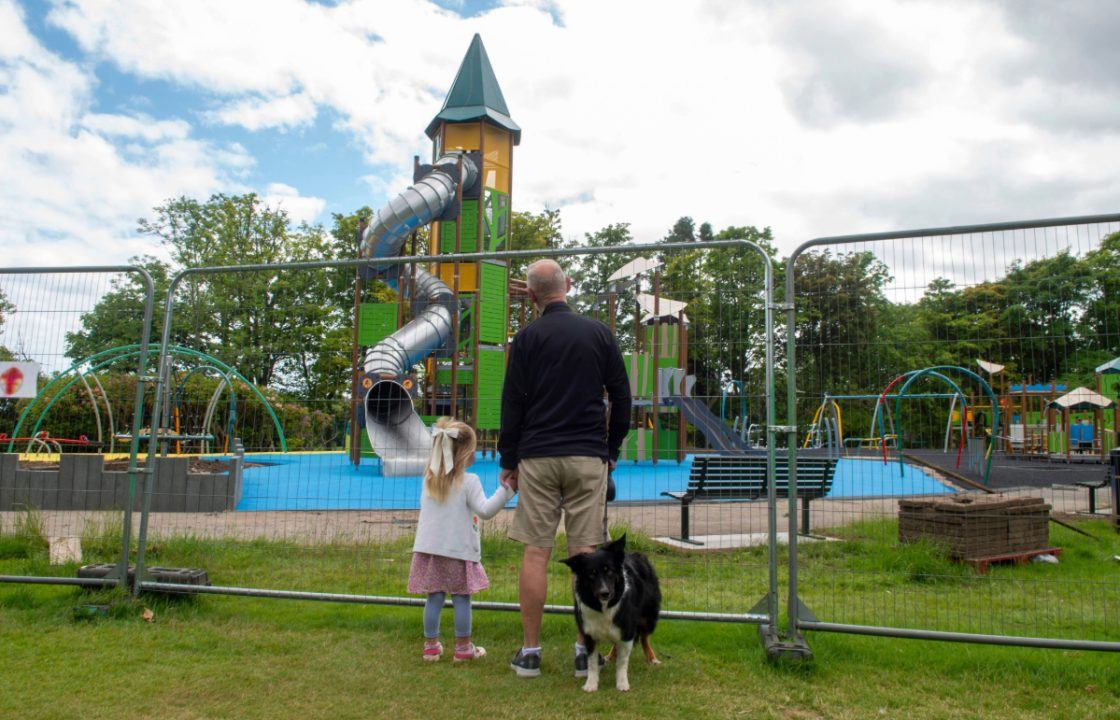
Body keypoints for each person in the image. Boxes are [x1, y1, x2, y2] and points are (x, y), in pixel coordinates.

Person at [498, 259, 632, 679]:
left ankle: (531, 652)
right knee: (587, 553)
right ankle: (582, 651)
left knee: (536, 552)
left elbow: (512, 403)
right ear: (568, 286)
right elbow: (623, 398)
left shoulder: (525, 338)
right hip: (586, 456)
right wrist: (610, 451)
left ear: (532, 296)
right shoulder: (598, 333)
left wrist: (508, 459)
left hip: (537, 456)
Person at [408, 416, 515, 662]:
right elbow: (485, 511)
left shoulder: (429, 480)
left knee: (434, 596)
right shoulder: (469, 481)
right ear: (464, 453)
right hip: (457, 550)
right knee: (461, 597)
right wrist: (507, 490)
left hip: (429, 549)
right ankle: (463, 648)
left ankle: (431, 646)